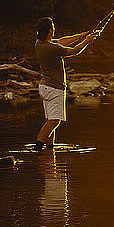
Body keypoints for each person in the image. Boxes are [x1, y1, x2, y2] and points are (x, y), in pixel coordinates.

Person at [33, 17, 96, 151]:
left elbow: (61, 41)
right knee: (55, 121)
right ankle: (37, 148)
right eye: (53, 27)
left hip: (45, 87)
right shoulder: (53, 49)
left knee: (49, 120)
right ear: (50, 30)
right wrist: (87, 41)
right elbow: (74, 51)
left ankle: (49, 150)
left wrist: (81, 35)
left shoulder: (39, 43)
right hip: (55, 88)